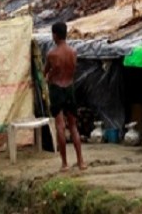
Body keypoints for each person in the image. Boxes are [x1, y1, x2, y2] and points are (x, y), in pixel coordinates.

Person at [45, 21, 86, 172]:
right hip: (69, 87)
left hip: (56, 89)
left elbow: (46, 73)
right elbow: (72, 70)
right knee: (73, 125)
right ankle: (81, 161)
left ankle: (64, 163)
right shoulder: (73, 52)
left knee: (60, 126)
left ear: (55, 35)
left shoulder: (51, 54)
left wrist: (49, 77)